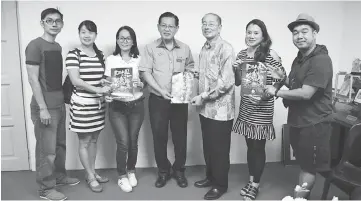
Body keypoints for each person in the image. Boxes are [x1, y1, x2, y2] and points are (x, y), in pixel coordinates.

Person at [265, 13, 333, 199]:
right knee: (305, 164)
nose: (299, 36)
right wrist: (283, 79)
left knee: (308, 167)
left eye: (305, 31)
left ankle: (299, 198)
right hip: (299, 121)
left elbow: (306, 93)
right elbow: (298, 87)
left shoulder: (321, 60)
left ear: (315, 33)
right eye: (295, 33)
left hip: (314, 124)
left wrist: (275, 91)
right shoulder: (300, 59)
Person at [25, 8, 79, 201]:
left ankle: (59, 176)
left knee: (59, 146)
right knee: (46, 150)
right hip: (45, 106)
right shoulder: (34, 45)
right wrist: (43, 108)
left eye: (58, 21)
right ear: (42, 23)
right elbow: (33, 79)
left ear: (62, 24)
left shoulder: (56, 47)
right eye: (50, 21)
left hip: (58, 104)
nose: (54, 24)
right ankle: (46, 189)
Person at [232, 19, 286, 200]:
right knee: (250, 146)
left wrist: (273, 89)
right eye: (249, 32)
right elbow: (239, 82)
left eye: (256, 32)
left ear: (263, 35)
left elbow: (282, 79)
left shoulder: (270, 54)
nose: (251, 36)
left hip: (263, 107)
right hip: (247, 105)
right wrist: (236, 69)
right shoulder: (241, 54)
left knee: (258, 146)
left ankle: (255, 185)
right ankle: (251, 179)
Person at [139, 11, 195, 188]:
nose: (167, 29)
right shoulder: (150, 48)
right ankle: (163, 171)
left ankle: (179, 170)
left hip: (180, 100)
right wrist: (160, 90)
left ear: (177, 28)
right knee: (159, 136)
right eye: (164, 25)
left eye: (171, 26)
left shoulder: (185, 48)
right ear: (158, 27)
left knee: (180, 137)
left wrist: (189, 75)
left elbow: (191, 66)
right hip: (158, 99)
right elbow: (145, 72)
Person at [191, 13, 235, 200]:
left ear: (219, 26)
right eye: (204, 23)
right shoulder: (204, 48)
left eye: (211, 24)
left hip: (221, 110)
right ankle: (210, 177)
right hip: (205, 109)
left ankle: (220, 185)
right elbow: (210, 75)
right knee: (208, 146)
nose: (207, 26)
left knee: (219, 149)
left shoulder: (226, 48)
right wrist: (196, 75)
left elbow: (226, 83)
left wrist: (202, 96)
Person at [65, 20, 110, 193]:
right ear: (79, 34)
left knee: (94, 140)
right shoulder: (73, 54)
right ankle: (90, 175)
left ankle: (92, 171)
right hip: (82, 104)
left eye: (90, 32)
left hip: (98, 105)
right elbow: (76, 80)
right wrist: (98, 89)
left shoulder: (100, 55)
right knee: (84, 141)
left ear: (95, 35)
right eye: (83, 32)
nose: (86, 35)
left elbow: (103, 77)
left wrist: (111, 85)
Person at [104, 26, 145, 193]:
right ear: (117, 40)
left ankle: (131, 170)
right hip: (117, 106)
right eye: (121, 38)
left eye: (128, 38)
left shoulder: (140, 60)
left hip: (136, 105)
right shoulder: (111, 59)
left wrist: (141, 84)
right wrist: (106, 93)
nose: (124, 41)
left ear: (133, 41)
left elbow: (146, 82)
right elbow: (107, 83)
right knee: (123, 143)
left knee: (133, 142)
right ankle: (121, 176)